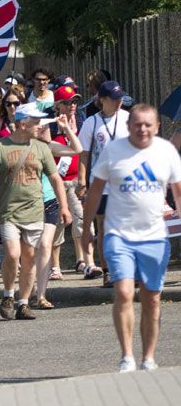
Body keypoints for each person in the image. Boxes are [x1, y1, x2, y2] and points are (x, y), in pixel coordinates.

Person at [81, 104, 181, 372]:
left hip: (154, 237)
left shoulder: (166, 152)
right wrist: (86, 228)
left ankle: (148, 357)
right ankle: (127, 356)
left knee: (152, 298)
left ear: (157, 127)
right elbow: (95, 191)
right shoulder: (114, 152)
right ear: (129, 126)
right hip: (119, 234)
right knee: (124, 292)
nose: (142, 129)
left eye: (148, 124)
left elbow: (178, 192)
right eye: (137, 124)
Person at [0, 103, 71, 320]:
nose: (39, 126)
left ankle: (23, 303)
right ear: (22, 124)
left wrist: (64, 206)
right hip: (8, 210)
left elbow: (55, 179)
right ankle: (8, 294)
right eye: (35, 122)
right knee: (13, 254)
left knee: (29, 257)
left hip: (34, 211)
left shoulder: (41, 148)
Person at [77, 80, 130, 287]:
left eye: (120, 99)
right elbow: (83, 154)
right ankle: (108, 270)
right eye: (114, 99)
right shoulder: (92, 122)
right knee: (104, 228)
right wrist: (82, 181)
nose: (118, 102)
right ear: (102, 100)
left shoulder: (128, 118)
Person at [31, 112, 83, 309]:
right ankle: (30, 290)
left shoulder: (50, 147)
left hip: (49, 201)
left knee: (44, 245)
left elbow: (77, 149)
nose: (46, 129)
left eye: (47, 127)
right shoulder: (26, 147)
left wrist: (66, 128)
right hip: (29, 204)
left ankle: (41, 294)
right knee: (31, 250)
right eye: (42, 126)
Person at [49, 86, 89, 278]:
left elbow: (83, 151)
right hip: (55, 181)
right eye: (67, 102)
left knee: (81, 219)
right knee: (56, 223)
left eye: (74, 101)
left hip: (75, 179)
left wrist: (83, 178)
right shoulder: (50, 124)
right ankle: (55, 266)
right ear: (58, 105)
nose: (72, 105)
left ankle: (82, 260)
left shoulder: (81, 121)